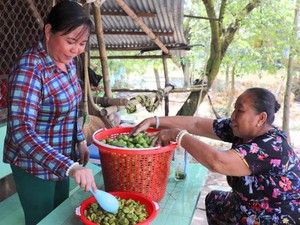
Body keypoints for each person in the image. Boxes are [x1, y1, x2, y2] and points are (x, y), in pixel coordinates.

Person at [130, 87, 300, 225]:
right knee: (213, 200)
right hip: (246, 204)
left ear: (261, 118)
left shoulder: (272, 145)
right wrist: (154, 121)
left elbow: (218, 162)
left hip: (274, 215)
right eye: (234, 109)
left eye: (239, 110)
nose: (233, 115)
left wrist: (178, 136)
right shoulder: (241, 131)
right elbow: (196, 124)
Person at [3, 1, 97, 224]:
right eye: (70, 41)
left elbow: (73, 108)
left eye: (82, 43)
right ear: (48, 31)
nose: (76, 50)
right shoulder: (30, 69)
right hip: (33, 164)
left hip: (62, 159)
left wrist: (79, 140)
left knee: (60, 215)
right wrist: (71, 167)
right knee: (42, 220)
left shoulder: (68, 63)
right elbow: (22, 132)